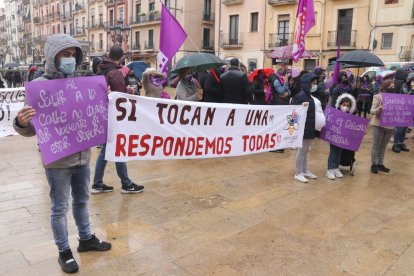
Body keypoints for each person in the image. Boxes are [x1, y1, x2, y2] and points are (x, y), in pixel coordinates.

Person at [13, 34, 111, 273]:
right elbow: (34, 129)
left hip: (82, 156)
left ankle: (86, 239)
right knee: (59, 207)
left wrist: (102, 103)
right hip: (57, 162)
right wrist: (21, 122)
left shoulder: (81, 84)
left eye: (73, 55)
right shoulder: (39, 88)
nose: (69, 59)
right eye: (64, 54)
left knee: (83, 200)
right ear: (52, 56)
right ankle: (64, 251)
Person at [92, 46, 144, 194]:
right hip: (113, 115)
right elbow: (120, 93)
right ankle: (126, 184)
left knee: (107, 149)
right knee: (117, 146)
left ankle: (97, 183)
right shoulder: (114, 72)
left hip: (103, 113)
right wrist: (130, 91)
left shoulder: (101, 69)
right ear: (121, 57)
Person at [292, 72, 318, 183]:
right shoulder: (300, 96)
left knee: (305, 150)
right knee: (302, 150)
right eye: (313, 83)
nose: (315, 86)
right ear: (307, 84)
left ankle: (305, 170)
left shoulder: (308, 96)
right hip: (303, 127)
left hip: (309, 125)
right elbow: (293, 111)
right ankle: (298, 172)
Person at [326, 93, 357, 180]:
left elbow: (354, 127)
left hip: (343, 138)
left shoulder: (350, 116)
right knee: (333, 152)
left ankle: (336, 168)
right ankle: (329, 169)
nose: (345, 107)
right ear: (339, 104)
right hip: (333, 137)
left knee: (339, 152)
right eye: (344, 105)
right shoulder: (335, 113)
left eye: (347, 106)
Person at [370, 79, 395, 174]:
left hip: (390, 126)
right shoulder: (378, 97)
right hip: (378, 125)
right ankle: (374, 165)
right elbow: (372, 111)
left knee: (383, 147)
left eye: (393, 86)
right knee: (376, 146)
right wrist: (378, 109)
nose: (392, 88)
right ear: (385, 87)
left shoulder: (397, 99)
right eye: (390, 86)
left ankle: (380, 164)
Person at [392, 68, 410, 153]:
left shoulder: (395, 82)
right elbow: (405, 94)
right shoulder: (402, 83)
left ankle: (399, 143)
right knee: (401, 127)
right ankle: (397, 144)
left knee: (401, 127)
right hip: (402, 107)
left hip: (399, 107)